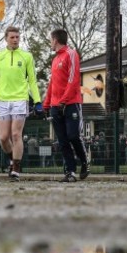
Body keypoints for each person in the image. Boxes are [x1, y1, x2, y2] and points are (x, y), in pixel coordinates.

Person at [0, 26, 42, 181]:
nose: (15, 40)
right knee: (3, 137)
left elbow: (32, 80)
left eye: (17, 37)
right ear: (6, 38)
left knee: (16, 134)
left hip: (20, 99)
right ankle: (12, 158)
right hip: (3, 100)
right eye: (12, 37)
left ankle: (16, 167)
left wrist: (37, 101)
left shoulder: (27, 56)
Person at [42, 28, 89, 182]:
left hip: (71, 103)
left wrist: (64, 100)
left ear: (55, 40)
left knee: (73, 136)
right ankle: (70, 171)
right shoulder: (54, 60)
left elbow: (74, 80)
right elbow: (52, 83)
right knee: (62, 141)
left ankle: (84, 162)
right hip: (56, 106)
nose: (50, 42)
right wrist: (46, 103)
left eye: (50, 39)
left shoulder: (71, 54)